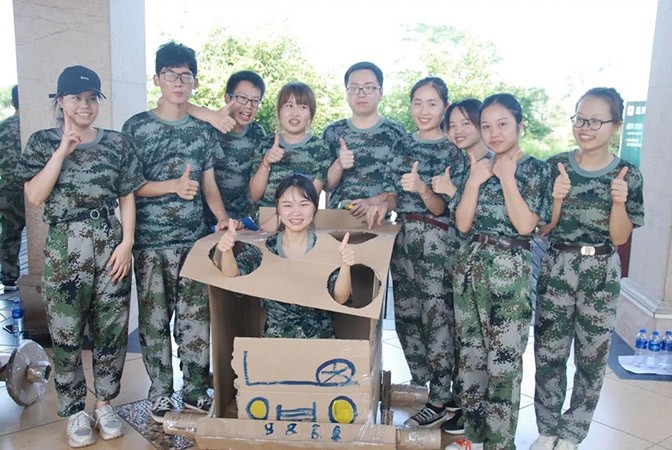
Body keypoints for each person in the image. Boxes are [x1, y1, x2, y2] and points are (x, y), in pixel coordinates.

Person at [18, 65, 145, 447]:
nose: (85, 105)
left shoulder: (117, 143)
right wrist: (62, 151)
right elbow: (35, 196)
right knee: (66, 331)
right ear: (61, 101)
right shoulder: (42, 142)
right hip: (64, 245)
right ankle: (75, 410)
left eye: (92, 98)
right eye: (76, 98)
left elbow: (127, 196)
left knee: (111, 328)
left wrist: (127, 243)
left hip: (110, 241)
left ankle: (104, 404)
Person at [122, 41, 233, 423]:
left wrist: (221, 217)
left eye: (186, 75)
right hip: (151, 243)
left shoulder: (202, 131)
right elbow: (129, 186)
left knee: (195, 319)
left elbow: (209, 182)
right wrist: (171, 186)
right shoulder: (137, 127)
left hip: (193, 242)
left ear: (195, 82)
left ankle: (197, 389)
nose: (178, 82)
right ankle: (160, 392)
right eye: (170, 74)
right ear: (157, 79)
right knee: (154, 321)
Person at [530, 88, 645, 450]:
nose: (585, 127)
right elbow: (541, 228)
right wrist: (556, 198)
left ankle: (572, 432)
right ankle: (547, 428)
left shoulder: (628, 174)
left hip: (601, 270)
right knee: (549, 352)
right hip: (558, 264)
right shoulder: (556, 166)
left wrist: (619, 202)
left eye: (596, 121)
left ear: (615, 126)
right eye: (580, 118)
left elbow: (620, 237)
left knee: (592, 357)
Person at [447, 93, 552, 450]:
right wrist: (474, 182)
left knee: (503, 360)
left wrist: (507, 178)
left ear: (520, 125)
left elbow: (525, 225)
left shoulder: (536, 169)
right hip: (471, 265)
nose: (494, 133)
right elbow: (463, 224)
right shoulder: (477, 166)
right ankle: (475, 436)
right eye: (487, 126)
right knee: (472, 355)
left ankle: (500, 442)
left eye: (502, 124)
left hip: (510, 267)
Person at [367, 77, 467, 428]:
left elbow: (443, 207)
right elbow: (393, 194)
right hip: (403, 236)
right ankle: (424, 381)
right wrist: (381, 203)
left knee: (437, 317)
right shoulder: (402, 145)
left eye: (432, 104)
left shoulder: (453, 149)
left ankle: (441, 397)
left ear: (444, 107)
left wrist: (423, 188)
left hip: (437, 240)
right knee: (407, 315)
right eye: (417, 103)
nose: (423, 111)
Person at [218, 174, 355, 338]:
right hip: (277, 340)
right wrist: (226, 250)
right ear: (278, 208)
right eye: (288, 205)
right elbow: (234, 275)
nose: (296, 212)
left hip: (319, 340)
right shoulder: (265, 247)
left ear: (314, 207)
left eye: (304, 204)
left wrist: (345, 266)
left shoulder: (327, 248)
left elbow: (340, 298)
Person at [323, 61, 406, 216]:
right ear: (347, 93)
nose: (361, 94)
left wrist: (371, 202)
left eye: (369, 87)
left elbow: (400, 188)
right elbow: (326, 186)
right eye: (354, 88)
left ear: (381, 92)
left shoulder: (397, 133)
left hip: (379, 220)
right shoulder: (332, 131)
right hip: (338, 219)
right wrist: (339, 164)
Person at [185, 70, 267, 224]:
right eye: (242, 98)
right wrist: (210, 115)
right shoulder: (208, 127)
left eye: (255, 101)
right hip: (207, 220)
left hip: (241, 220)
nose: (249, 106)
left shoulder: (257, 133)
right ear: (227, 98)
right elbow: (168, 102)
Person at [249, 82, 331, 231]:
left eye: (303, 107)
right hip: (263, 226)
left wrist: (279, 219)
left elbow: (311, 196)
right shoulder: (265, 144)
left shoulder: (320, 148)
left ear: (311, 114)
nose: (295, 113)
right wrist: (266, 163)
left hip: (299, 225)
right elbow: (254, 195)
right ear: (279, 111)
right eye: (289, 105)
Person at [0, 85, 26, 292]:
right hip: (34, 188)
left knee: (10, 233)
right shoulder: (34, 128)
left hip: (7, 190)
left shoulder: (2, 127)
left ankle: (9, 277)